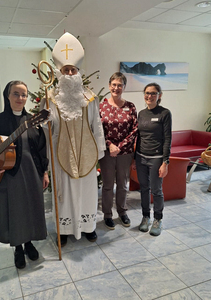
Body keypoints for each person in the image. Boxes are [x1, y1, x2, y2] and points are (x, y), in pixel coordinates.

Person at [0, 80, 49, 269]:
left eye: (24, 94)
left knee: (31, 208)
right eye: (16, 94)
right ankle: (17, 248)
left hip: (32, 173)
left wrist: (45, 172)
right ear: (8, 96)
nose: (20, 98)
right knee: (14, 210)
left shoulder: (32, 120)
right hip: (8, 176)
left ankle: (29, 243)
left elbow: (41, 149)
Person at [41, 32, 106, 247]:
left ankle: (89, 227)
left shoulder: (89, 98)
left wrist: (99, 150)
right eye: (65, 70)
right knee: (64, 193)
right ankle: (64, 230)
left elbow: (96, 124)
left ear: (78, 72)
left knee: (86, 191)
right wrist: (46, 121)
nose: (69, 73)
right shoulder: (49, 99)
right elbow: (44, 130)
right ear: (60, 73)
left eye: (73, 70)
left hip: (86, 152)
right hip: (61, 154)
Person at [99, 72, 138, 230]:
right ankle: (107, 215)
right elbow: (98, 129)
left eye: (120, 85)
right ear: (109, 86)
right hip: (107, 152)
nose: (116, 88)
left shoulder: (130, 106)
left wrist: (120, 146)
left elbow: (135, 130)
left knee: (123, 184)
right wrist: (109, 145)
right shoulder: (101, 106)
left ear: (124, 87)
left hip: (125, 152)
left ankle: (122, 212)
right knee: (108, 185)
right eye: (114, 85)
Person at [136, 82, 172, 236]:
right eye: (147, 93)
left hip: (156, 158)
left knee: (156, 190)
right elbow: (139, 137)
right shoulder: (141, 114)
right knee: (144, 188)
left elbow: (167, 139)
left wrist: (165, 162)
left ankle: (158, 219)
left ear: (159, 95)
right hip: (140, 157)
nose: (149, 96)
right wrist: (134, 158)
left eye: (153, 93)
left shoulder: (164, 113)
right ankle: (145, 217)